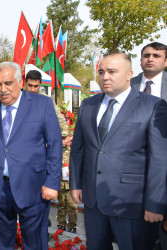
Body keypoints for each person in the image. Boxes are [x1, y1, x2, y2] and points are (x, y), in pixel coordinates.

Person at [70, 52, 167, 250]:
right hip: (93, 201)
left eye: (112, 72)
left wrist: (155, 204)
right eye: (101, 72)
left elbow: (159, 159)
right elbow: (78, 149)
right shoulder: (88, 105)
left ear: (129, 74)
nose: (105, 77)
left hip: (132, 204)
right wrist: (76, 184)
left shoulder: (152, 106)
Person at [0, 62, 62, 250]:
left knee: (35, 242)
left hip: (34, 186)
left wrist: (52, 182)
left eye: (8, 83)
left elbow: (55, 145)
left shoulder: (42, 104)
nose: (3, 89)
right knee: (3, 242)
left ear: (20, 81)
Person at [24, 69, 77, 232]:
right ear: (24, 83)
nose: (33, 89)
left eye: (36, 86)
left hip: (40, 154)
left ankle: (42, 222)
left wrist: (63, 138)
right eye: (30, 86)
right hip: (21, 154)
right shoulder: (17, 99)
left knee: (40, 191)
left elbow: (61, 124)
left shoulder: (46, 101)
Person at [130, 42, 167, 249]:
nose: (150, 59)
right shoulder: (127, 84)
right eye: (146, 55)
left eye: (156, 55)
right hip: (132, 171)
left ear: (165, 60)